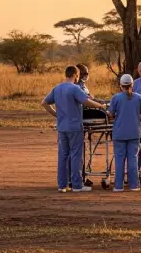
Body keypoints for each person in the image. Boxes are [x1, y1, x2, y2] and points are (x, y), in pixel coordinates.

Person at [41, 65, 106, 193]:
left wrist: (57, 115)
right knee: (76, 155)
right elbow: (86, 101)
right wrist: (101, 106)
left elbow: (44, 103)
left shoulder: (57, 88)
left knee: (63, 156)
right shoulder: (75, 88)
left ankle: (62, 185)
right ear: (76, 75)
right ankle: (77, 185)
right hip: (74, 127)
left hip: (62, 127)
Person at [108, 74, 141, 192]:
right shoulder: (139, 97)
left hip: (119, 133)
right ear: (132, 85)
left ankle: (118, 186)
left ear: (121, 86)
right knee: (133, 159)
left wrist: (109, 112)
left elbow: (111, 114)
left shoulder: (116, 98)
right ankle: (134, 185)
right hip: (134, 133)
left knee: (119, 159)